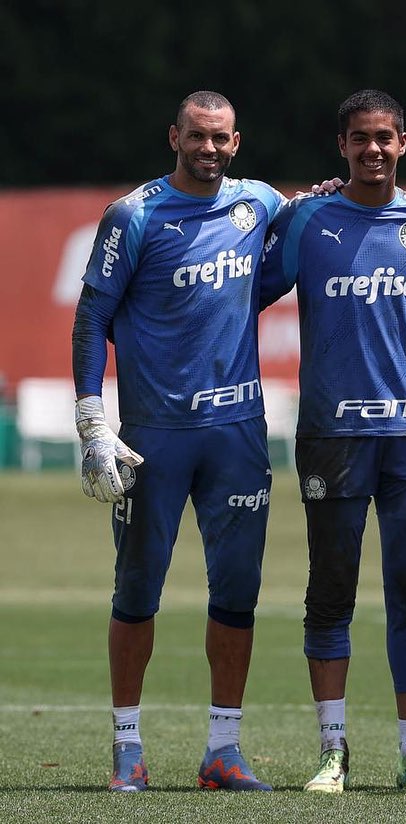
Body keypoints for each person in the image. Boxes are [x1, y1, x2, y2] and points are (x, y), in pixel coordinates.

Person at [259, 89, 406, 794]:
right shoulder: (310, 219)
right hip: (333, 434)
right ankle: (333, 751)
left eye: (385, 138)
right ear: (342, 146)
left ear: (403, 143)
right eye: (360, 139)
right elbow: (243, 292)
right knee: (331, 593)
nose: (373, 150)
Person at [71, 91, 285, 792]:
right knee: (136, 593)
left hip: (237, 434)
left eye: (220, 138)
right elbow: (92, 316)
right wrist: (92, 420)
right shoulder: (133, 215)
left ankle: (223, 751)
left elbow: (328, 216)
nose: (209, 148)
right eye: (197, 136)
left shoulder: (258, 204)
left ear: (237, 141)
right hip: (154, 438)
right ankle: (127, 749)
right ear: (175, 136)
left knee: (238, 595)